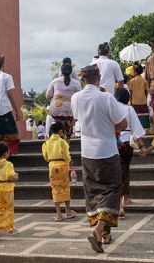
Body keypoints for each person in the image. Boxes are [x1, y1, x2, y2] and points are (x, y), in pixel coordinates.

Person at [71, 64, 128, 254]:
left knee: (94, 191)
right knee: (112, 189)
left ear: (83, 79)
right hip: (107, 150)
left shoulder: (76, 98)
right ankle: (98, 228)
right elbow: (122, 122)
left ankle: (105, 234)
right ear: (99, 77)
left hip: (87, 152)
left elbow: (78, 119)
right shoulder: (106, 97)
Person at [114, 87, 147, 217]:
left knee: (114, 173)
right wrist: (142, 146)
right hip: (126, 143)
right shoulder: (129, 109)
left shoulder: (111, 107)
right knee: (124, 171)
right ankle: (124, 200)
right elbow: (137, 130)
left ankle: (119, 204)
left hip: (112, 143)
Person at [42, 122, 77, 222]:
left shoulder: (46, 143)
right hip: (62, 166)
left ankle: (58, 214)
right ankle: (68, 211)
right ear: (60, 131)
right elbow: (66, 155)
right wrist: (69, 161)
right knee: (65, 187)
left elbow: (45, 157)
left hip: (52, 166)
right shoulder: (62, 142)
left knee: (55, 188)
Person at [46, 57, 82, 139]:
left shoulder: (54, 81)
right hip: (70, 111)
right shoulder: (76, 83)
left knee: (57, 126)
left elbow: (48, 95)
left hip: (55, 111)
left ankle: (55, 139)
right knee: (68, 128)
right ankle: (66, 144)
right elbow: (79, 97)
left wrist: (57, 96)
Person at [127, 62, 150, 129]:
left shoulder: (132, 81)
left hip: (134, 102)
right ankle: (145, 130)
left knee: (135, 117)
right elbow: (146, 92)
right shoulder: (144, 81)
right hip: (143, 101)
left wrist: (130, 101)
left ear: (135, 72)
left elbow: (130, 92)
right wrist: (145, 98)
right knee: (144, 118)